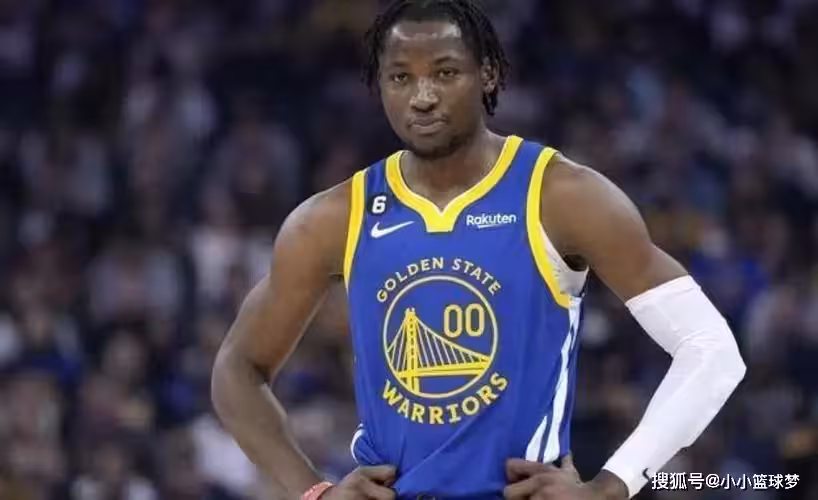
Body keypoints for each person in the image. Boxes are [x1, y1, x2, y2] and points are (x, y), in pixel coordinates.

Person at [210, 1, 747, 499]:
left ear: (487, 74)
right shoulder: (334, 217)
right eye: (401, 77)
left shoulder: (562, 196)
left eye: (445, 73)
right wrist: (314, 491)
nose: (422, 97)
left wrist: (611, 487)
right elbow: (237, 369)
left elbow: (711, 350)